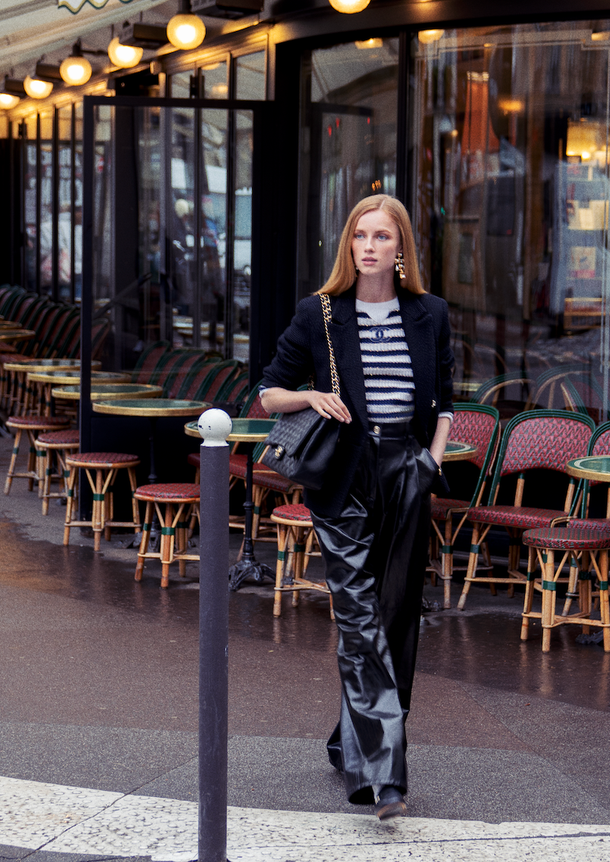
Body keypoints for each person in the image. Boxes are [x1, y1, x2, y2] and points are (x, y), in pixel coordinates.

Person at [257, 194, 453, 821]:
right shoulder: (318, 315)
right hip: (343, 477)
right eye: (360, 235)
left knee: (396, 618)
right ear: (349, 245)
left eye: (383, 237)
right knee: (359, 616)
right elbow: (267, 395)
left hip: (408, 471)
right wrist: (312, 396)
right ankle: (385, 776)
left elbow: (445, 404)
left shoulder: (430, 314)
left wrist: (432, 463)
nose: (369, 246)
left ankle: (353, 740)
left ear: (401, 251)